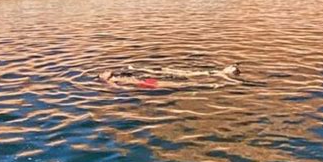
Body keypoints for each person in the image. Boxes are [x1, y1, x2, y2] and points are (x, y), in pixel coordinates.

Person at [98, 63, 241, 88]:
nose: (105, 71)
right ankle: (211, 84)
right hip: (146, 84)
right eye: (102, 73)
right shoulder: (111, 81)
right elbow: (120, 89)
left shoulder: (118, 75)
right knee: (180, 83)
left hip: (147, 80)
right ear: (103, 78)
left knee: (183, 76)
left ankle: (220, 74)